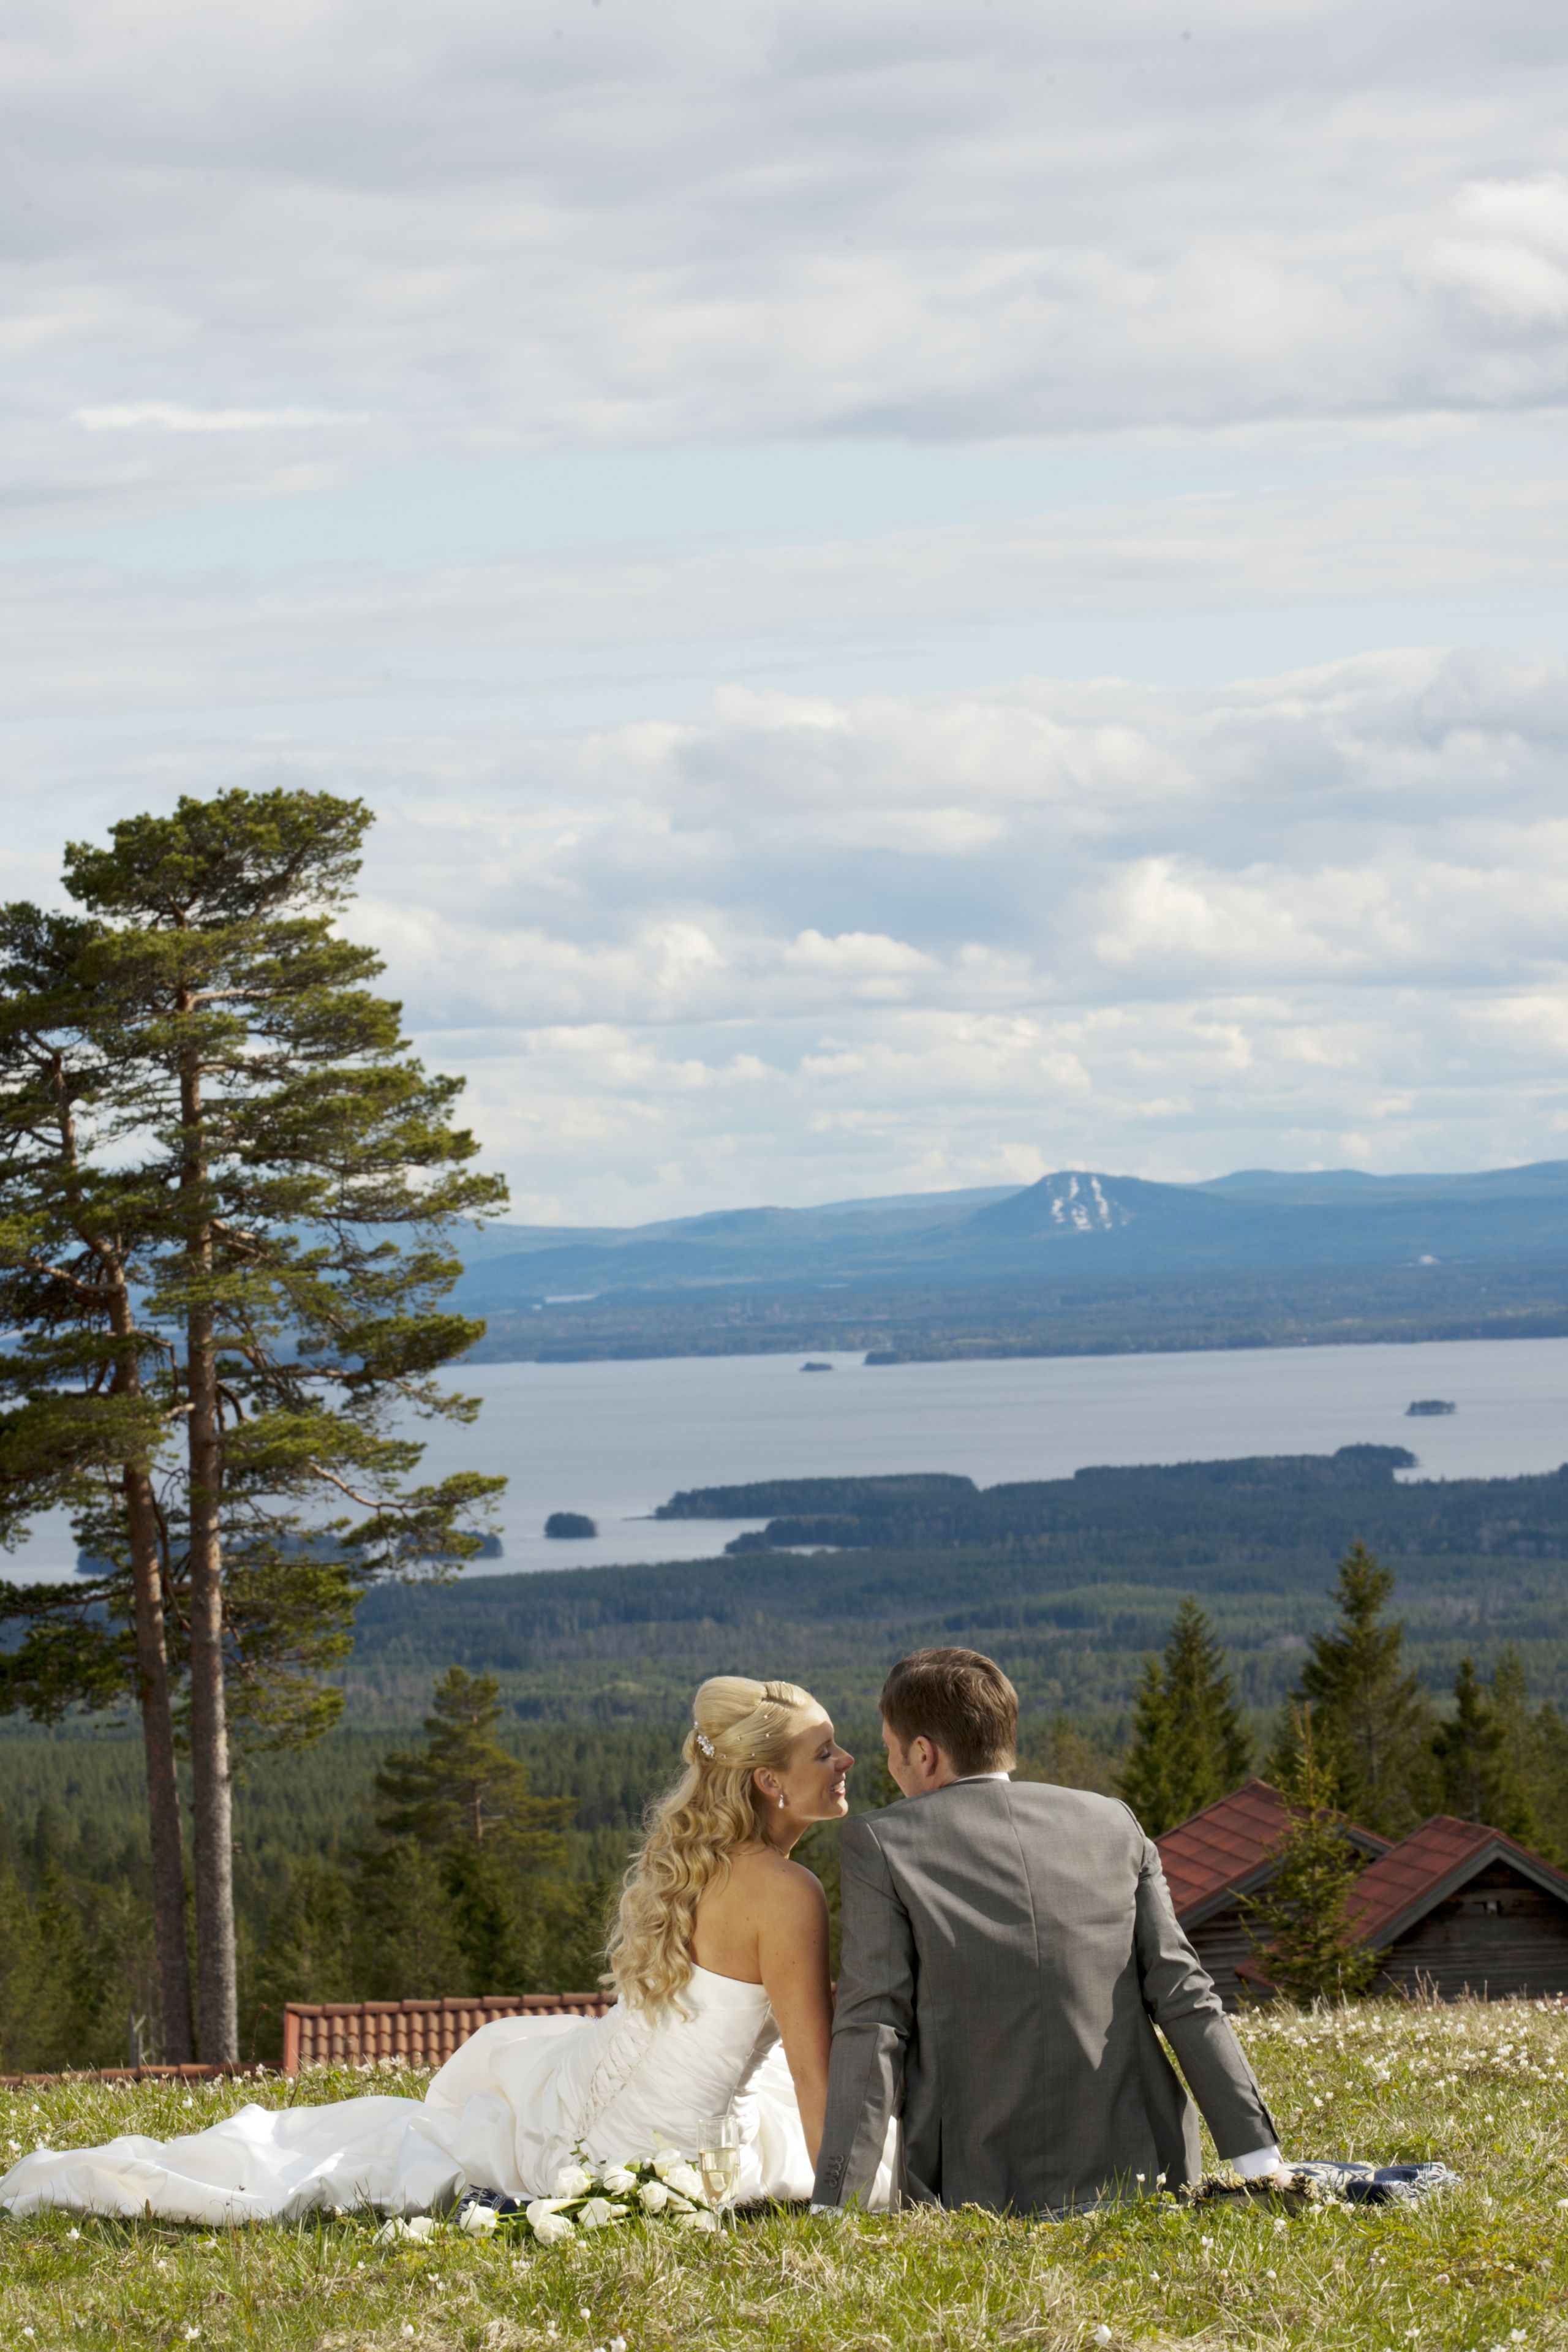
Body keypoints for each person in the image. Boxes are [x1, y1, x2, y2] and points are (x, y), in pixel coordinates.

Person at [1, 1676, 894, 2225]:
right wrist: (845, 2210)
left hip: (607, 2103)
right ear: (771, 1781)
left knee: (523, 2072)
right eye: (827, 1751)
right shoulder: (790, 1894)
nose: (848, 1758)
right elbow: (814, 2074)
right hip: (662, 2145)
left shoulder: (703, 1858)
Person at [812, 1646, 1286, 2217]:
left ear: (923, 1753)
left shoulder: (882, 1842)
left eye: (890, 1751)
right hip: (1144, 2176)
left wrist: (835, 2205)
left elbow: (874, 2023)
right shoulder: (1114, 1821)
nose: (890, 1767)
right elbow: (1184, 1993)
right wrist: (1260, 2164)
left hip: (973, 2191)